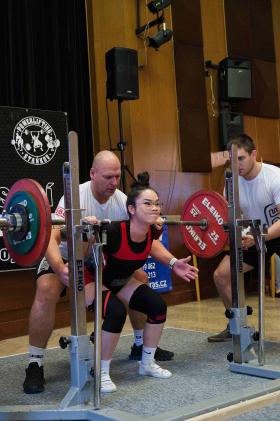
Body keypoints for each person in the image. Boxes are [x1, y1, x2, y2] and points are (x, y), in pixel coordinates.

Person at [23, 151, 173, 394]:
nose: (114, 182)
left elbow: (138, 232)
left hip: (96, 260)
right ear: (92, 174)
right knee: (46, 289)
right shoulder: (75, 196)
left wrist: (152, 224)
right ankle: (35, 362)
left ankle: (138, 345)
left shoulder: (121, 200)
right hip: (64, 254)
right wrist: (61, 269)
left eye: (116, 176)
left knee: (141, 278)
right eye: (107, 177)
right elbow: (52, 234)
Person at [82, 171, 198, 392]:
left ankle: (146, 363)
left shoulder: (152, 231)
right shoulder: (113, 231)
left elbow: (152, 247)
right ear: (131, 210)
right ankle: (101, 372)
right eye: (147, 204)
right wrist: (90, 232)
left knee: (157, 306)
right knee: (116, 312)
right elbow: (86, 254)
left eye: (156, 204)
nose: (155, 208)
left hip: (121, 280)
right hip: (93, 280)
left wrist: (174, 263)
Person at [208, 133, 280, 342]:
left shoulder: (274, 177)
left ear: (254, 154)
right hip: (254, 235)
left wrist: (260, 236)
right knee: (221, 275)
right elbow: (235, 218)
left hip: (274, 232)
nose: (236, 164)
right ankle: (237, 326)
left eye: (241, 158)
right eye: (232, 159)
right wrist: (242, 235)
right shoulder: (232, 184)